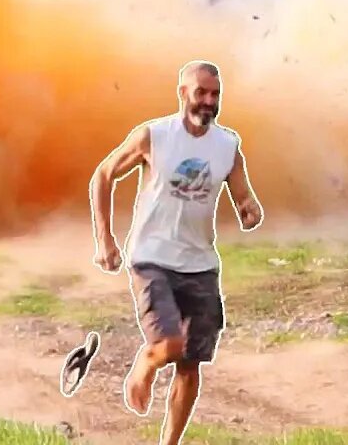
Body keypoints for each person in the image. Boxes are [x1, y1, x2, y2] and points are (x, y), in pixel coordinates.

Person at [88, 59, 263, 444]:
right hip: (152, 258)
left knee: (191, 363)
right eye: (201, 93)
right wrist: (105, 239)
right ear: (183, 93)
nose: (208, 102)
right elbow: (103, 174)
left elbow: (241, 192)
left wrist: (250, 208)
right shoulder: (154, 136)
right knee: (168, 345)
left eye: (215, 94)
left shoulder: (228, 145)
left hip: (200, 264)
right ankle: (145, 363)